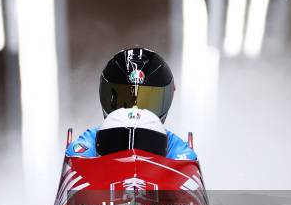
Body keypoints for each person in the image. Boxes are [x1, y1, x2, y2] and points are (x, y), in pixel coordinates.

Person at [66, 47, 197, 160]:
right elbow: (77, 156)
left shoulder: (178, 149)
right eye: (125, 100)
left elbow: (186, 160)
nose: (135, 109)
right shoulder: (89, 141)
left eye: (147, 101)